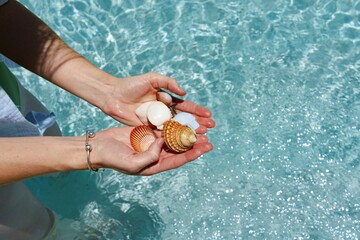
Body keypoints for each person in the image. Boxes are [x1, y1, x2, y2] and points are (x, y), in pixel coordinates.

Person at [0, 0, 215, 238]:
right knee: (40, 229)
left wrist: (108, 91)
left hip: (6, 100)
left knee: (49, 147)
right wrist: (88, 151)